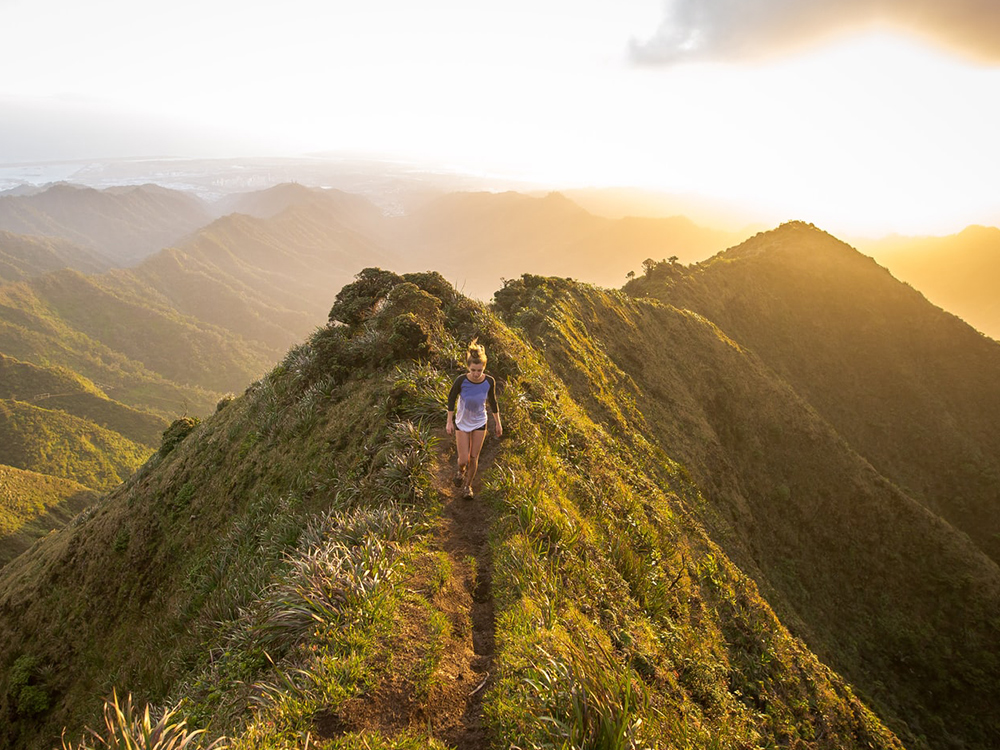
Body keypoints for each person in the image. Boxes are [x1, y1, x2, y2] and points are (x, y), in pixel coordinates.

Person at [446, 339, 502, 499]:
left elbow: (492, 402)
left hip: (480, 422)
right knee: (463, 459)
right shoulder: (461, 381)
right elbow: (451, 398)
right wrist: (449, 421)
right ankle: (460, 471)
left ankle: (467, 487)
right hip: (462, 422)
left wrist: (498, 423)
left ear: (484, 367)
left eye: (479, 370)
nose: (476, 373)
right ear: (468, 367)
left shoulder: (489, 381)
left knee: (473, 457)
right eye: (473, 370)